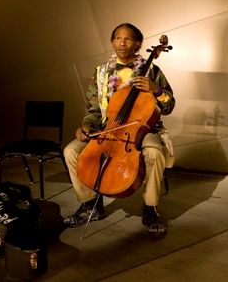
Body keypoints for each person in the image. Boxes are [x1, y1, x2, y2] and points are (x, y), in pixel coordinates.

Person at [63, 23, 175, 238]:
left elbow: (169, 105)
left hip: (143, 128)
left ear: (138, 43)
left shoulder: (152, 71)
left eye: (128, 39)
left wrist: (156, 89)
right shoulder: (101, 72)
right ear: (112, 42)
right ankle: (90, 205)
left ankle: (150, 208)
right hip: (108, 129)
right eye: (118, 38)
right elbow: (94, 109)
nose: (122, 43)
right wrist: (86, 126)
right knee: (71, 151)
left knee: (154, 152)